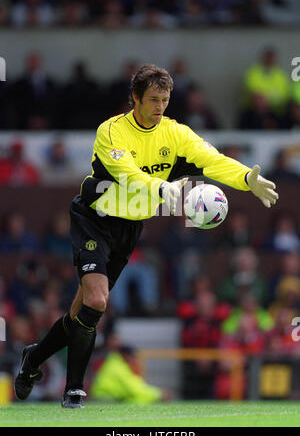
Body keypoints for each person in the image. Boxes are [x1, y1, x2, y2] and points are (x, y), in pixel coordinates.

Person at [14, 63, 278, 409]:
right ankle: (74, 391)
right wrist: (159, 186)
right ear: (134, 98)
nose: (159, 107)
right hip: (95, 218)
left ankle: (33, 359)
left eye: (165, 100)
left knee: (80, 313)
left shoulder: (175, 133)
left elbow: (211, 160)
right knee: (96, 301)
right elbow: (125, 173)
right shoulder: (112, 132)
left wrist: (247, 179)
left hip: (129, 228)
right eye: (153, 99)